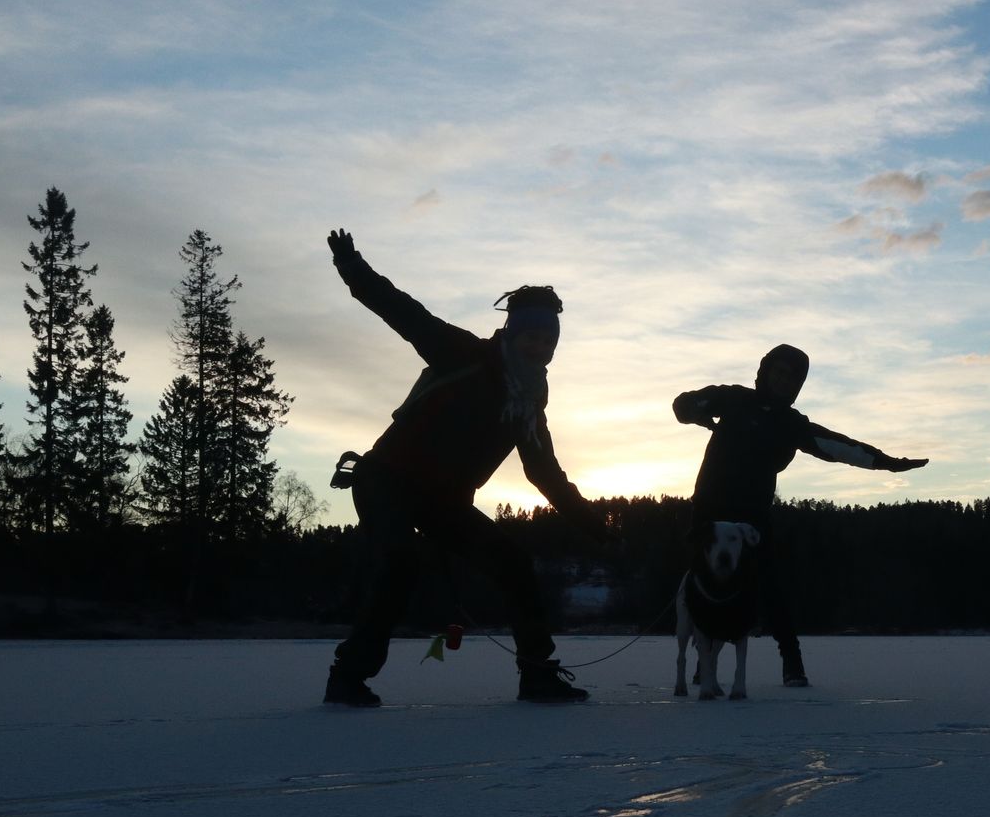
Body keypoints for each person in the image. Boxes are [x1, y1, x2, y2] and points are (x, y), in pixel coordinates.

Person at [322, 228, 612, 707]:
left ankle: (537, 675)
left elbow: (543, 471)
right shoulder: (463, 353)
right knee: (397, 564)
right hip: (388, 479)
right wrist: (352, 267)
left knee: (513, 564)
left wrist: (590, 522)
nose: (540, 348)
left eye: (548, 340)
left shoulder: (529, 401)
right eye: (532, 337)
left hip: (444, 501)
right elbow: (402, 312)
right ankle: (347, 677)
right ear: (513, 334)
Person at [672, 344, 926, 687]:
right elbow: (683, 404)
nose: (783, 381)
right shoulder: (732, 399)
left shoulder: (793, 425)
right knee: (704, 585)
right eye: (778, 372)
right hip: (708, 510)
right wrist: (693, 412)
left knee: (769, 584)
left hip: (753, 514)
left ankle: (791, 661)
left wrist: (888, 462)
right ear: (764, 372)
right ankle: (706, 664)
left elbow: (841, 447)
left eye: (792, 378)